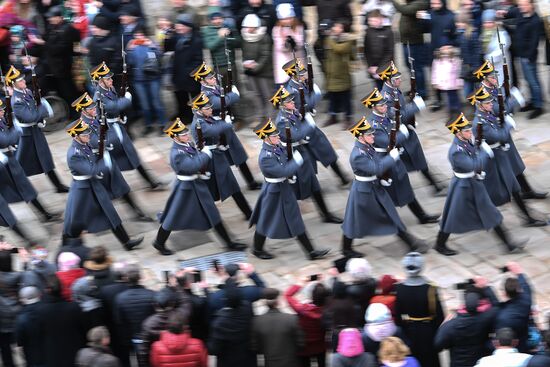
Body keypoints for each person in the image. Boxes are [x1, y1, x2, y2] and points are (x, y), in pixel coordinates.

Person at [435, 112, 527, 256]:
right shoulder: (455, 152)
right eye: (466, 130)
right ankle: (439, 244)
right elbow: (474, 165)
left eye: (468, 129)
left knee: (490, 212)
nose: (469, 131)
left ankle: (509, 245)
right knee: (453, 216)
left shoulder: (466, 142)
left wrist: (480, 147)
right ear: (458, 134)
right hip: (463, 187)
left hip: (474, 183)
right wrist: (484, 152)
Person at [152, 118, 247, 255]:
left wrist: (202, 170)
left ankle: (229, 243)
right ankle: (159, 243)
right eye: (183, 134)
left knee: (213, 213)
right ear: (175, 137)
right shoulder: (176, 154)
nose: (187, 135)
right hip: (186, 188)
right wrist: (205, 155)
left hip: (196, 184)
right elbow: (192, 165)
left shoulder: (186, 144)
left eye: (186, 133)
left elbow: (195, 162)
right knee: (172, 217)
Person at [341, 115, 429, 258]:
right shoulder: (358, 155)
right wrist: (392, 157)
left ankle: (411, 243)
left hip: (374, 186)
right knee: (354, 221)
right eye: (369, 134)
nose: (372, 136)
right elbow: (376, 167)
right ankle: (346, 249)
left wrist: (382, 179)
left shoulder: (367, 147)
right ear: (361, 137)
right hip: (364, 191)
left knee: (388, 215)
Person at [249, 117, 330, 260]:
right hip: (274, 191)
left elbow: (285, 159)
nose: (277, 136)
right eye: (274, 135)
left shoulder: (276, 146)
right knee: (265, 220)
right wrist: (297, 161)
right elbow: (282, 171)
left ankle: (310, 252)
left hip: (284, 188)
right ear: (266, 138)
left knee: (294, 219)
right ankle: (257, 248)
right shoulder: (265, 157)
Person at [61, 118, 143, 251]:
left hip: (93, 185)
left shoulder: (84, 144)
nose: (88, 135)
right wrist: (103, 158)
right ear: (76, 136)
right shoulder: (74, 154)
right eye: (85, 134)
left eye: (88, 133)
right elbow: (92, 170)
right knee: (74, 222)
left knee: (109, 212)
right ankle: (64, 247)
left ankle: (126, 242)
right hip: (83, 190)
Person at [470, 86, 546, 227]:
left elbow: (499, 118)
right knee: (490, 194)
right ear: (480, 105)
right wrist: (508, 125)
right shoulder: (480, 122)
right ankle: (480, 215)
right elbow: (499, 135)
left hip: (500, 156)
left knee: (514, 189)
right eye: (487, 103)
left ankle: (528, 218)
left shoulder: (486, 114)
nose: (491, 104)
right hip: (493, 162)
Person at [363, 87, 439, 225]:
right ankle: (373, 217)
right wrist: (402, 134)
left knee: (404, 186)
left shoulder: (385, 113)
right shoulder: (372, 124)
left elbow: (398, 115)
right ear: (374, 107)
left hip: (393, 157)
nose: (385, 106)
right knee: (384, 192)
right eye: (381, 105)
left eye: (385, 103)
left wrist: (410, 115)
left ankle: (421, 216)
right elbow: (385, 141)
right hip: (383, 159)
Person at [72, 92, 152, 222]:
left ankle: (137, 212)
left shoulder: (95, 117)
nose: (94, 109)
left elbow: (107, 129)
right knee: (101, 193)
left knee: (120, 186)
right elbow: (91, 142)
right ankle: (91, 217)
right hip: (96, 163)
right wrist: (105, 140)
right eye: (91, 108)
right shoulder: (82, 126)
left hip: (106, 158)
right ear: (84, 111)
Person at [472, 60, 547, 200]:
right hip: (497, 135)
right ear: (485, 78)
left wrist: (508, 99)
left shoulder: (493, 87)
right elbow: (497, 109)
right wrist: (515, 101)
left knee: (515, 164)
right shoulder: (483, 93)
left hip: (503, 132)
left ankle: (526, 190)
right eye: (492, 76)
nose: (496, 78)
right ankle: (519, 193)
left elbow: (502, 106)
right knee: (510, 166)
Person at [273, 86, 342, 222]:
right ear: (282, 104)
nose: (293, 102)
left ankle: (326, 214)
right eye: (289, 101)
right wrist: (309, 124)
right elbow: (295, 134)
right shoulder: (282, 121)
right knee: (291, 188)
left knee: (313, 184)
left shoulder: (291, 112)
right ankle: (280, 216)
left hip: (301, 151)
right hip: (291, 155)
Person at [91, 62, 163, 189]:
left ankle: (150, 181)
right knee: (113, 161)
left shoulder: (109, 89)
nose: (111, 80)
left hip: (117, 127)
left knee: (132, 154)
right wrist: (127, 99)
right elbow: (114, 106)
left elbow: (116, 108)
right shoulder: (99, 96)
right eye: (108, 78)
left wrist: (121, 116)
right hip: (108, 131)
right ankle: (110, 186)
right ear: (100, 81)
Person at [192, 61, 261, 190]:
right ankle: (210, 185)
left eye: (213, 77)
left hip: (224, 125)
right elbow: (220, 103)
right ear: (203, 81)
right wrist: (234, 95)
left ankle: (251, 182)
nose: (214, 79)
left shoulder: (214, 87)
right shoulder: (206, 94)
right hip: (217, 128)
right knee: (218, 160)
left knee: (238, 154)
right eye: (210, 78)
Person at [378, 62, 443, 194]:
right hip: (398, 136)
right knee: (401, 167)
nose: (400, 80)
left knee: (418, 160)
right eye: (396, 78)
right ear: (388, 80)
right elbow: (397, 115)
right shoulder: (385, 96)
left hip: (406, 132)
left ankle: (434, 185)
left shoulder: (394, 89)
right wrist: (415, 106)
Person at [282, 58, 350, 186]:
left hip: (309, 126)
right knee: (309, 160)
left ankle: (341, 177)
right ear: (294, 75)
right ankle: (312, 186)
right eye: (302, 74)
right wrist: (316, 96)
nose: (305, 75)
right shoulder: (291, 91)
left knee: (327, 152)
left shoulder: (301, 83)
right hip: (302, 129)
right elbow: (300, 106)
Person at [6, 65, 69, 193]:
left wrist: (39, 110)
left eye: (23, 79)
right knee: (20, 165)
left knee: (45, 159)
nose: (24, 81)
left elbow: (34, 110)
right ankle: (13, 187)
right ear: (14, 85)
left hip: (35, 131)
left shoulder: (27, 92)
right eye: (20, 81)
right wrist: (43, 108)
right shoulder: (16, 101)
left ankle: (58, 186)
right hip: (26, 136)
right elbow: (30, 117)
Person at [0, 97, 59, 222]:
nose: (2, 111)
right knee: (20, 189)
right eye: (0, 110)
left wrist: (13, 133)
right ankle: (43, 215)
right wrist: (14, 131)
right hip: (5, 163)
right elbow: (5, 139)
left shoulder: (2, 121)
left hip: (9, 159)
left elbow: (13, 138)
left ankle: (44, 214)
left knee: (24, 188)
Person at [434, 278, 498, 367]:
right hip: (479, 362)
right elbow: (497, 307)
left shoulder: (451, 325)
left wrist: (443, 326)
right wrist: (486, 287)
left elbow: (438, 345)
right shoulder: (485, 318)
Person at [395, 252, 444, 367]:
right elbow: (440, 315)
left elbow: (398, 316)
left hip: (409, 329)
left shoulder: (399, 288)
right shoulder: (431, 288)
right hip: (428, 330)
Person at [38, 274, 87, 367]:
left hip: (53, 354)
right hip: (75, 353)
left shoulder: (41, 310)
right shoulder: (74, 307)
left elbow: (40, 333)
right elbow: (83, 329)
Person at [42, 5, 81, 119]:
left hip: (65, 67)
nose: (50, 19)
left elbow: (59, 49)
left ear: (60, 17)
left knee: (70, 92)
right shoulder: (52, 28)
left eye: (52, 17)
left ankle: (76, 114)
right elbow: (46, 37)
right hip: (54, 68)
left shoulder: (68, 29)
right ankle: (68, 113)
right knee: (62, 93)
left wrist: (46, 44)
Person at [126, 25, 167, 135]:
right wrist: (129, 51)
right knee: (144, 104)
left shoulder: (152, 44)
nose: (139, 37)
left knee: (156, 101)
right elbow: (129, 63)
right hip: (139, 80)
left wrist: (152, 46)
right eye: (136, 35)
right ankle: (148, 125)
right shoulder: (131, 46)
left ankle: (162, 124)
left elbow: (160, 57)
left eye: (141, 34)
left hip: (153, 78)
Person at [163, 13, 203, 122]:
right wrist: (167, 36)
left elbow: (198, 60)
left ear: (188, 27)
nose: (178, 27)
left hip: (190, 76)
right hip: (178, 74)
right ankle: (185, 116)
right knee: (181, 98)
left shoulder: (196, 40)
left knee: (195, 97)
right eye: (177, 25)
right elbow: (167, 49)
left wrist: (187, 72)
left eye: (181, 25)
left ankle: (201, 117)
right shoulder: (176, 37)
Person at [113, 264, 156, 364]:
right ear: (140, 277)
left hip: (134, 336)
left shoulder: (120, 298)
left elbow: (119, 321)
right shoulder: (152, 295)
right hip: (150, 335)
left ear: (125, 278)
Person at [252, 288, 304, 367]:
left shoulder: (257, 321)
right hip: (290, 362)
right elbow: (300, 344)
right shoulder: (291, 319)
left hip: (270, 363)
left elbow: (255, 346)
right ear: (278, 302)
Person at [208, 280, 256, 367]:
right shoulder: (248, 309)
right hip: (248, 359)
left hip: (228, 362)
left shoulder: (219, 323)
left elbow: (213, 350)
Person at [285, 278, 328, 367]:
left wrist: (299, 284)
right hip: (320, 346)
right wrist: (321, 288)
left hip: (304, 348)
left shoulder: (302, 310)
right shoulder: (328, 311)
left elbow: (288, 295)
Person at [240, 13, 274, 123]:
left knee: (267, 94)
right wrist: (245, 63)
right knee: (255, 95)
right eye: (246, 27)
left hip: (264, 71)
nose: (247, 29)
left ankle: (270, 117)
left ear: (256, 26)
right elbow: (244, 53)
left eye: (250, 27)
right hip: (250, 71)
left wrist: (256, 66)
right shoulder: (244, 36)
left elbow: (266, 54)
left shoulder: (264, 37)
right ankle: (259, 116)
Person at [392, 0, 430, 99]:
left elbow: (405, 10)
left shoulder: (419, 3)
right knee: (409, 66)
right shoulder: (409, 3)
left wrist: (394, 2)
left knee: (417, 68)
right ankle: (414, 88)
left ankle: (422, 93)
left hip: (414, 43)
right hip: (406, 42)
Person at [514, 0, 544, 119]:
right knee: (527, 80)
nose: (521, 7)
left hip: (529, 57)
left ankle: (539, 106)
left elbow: (534, 41)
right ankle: (532, 102)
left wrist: (528, 56)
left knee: (533, 81)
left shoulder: (536, 20)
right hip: (521, 55)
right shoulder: (522, 15)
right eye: (520, 5)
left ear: (531, 5)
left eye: (523, 5)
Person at [494, 262, 533, 353]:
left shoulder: (503, 316)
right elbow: (525, 284)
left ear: (505, 294)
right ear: (519, 289)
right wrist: (518, 272)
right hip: (524, 336)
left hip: (511, 344)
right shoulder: (527, 298)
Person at [323, 20, 355, 127]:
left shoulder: (347, 40)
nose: (336, 29)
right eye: (335, 27)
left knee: (346, 99)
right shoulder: (329, 40)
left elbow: (339, 49)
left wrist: (329, 39)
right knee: (333, 100)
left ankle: (348, 118)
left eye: (339, 27)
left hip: (343, 76)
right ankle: (333, 117)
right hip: (331, 76)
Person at [272, 3, 304, 85]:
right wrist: (285, 43)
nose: (287, 21)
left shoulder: (298, 27)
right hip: (283, 60)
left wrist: (294, 42)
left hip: (296, 58)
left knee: (299, 83)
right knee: (286, 85)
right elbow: (279, 45)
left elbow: (300, 42)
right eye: (284, 19)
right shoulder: (277, 29)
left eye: (289, 18)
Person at [363, 10, 394, 90]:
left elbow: (390, 52)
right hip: (373, 67)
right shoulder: (368, 32)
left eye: (375, 20)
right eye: (371, 21)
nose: (372, 23)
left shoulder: (388, 32)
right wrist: (370, 65)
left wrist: (379, 68)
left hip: (385, 66)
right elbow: (366, 51)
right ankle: (380, 102)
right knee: (377, 88)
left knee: (388, 89)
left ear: (381, 20)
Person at [15, 286, 45, 367]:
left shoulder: (21, 318)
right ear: (39, 295)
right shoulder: (48, 311)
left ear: (23, 299)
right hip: (51, 354)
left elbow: (19, 341)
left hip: (32, 357)